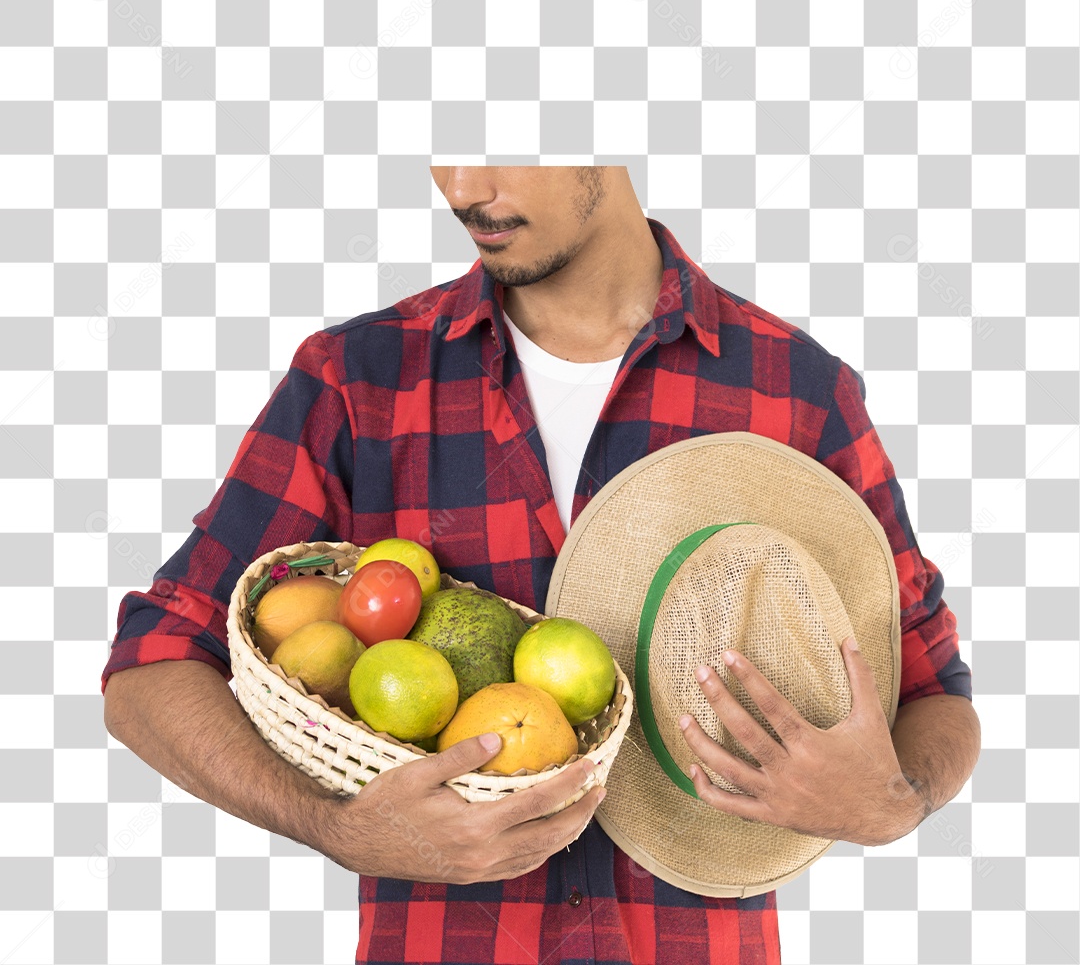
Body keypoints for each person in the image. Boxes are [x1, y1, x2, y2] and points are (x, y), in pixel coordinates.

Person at [103, 166, 980, 964]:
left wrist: (892, 803)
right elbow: (153, 660)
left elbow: (932, 688)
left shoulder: (797, 390)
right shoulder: (360, 381)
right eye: (443, 149)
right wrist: (336, 828)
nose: (464, 187)